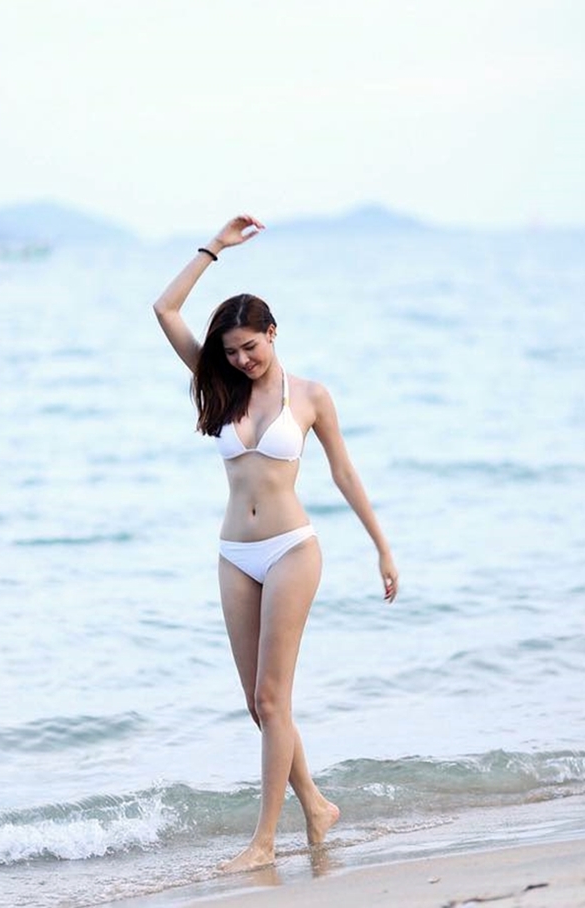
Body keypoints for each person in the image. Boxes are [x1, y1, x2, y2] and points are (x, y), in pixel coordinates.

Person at [153, 214, 399, 873]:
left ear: (272, 332)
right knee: (257, 705)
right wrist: (214, 247)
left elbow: (345, 473)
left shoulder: (311, 396)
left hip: (292, 548)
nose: (241, 359)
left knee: (272, 698)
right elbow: (165, 309)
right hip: (235, 554)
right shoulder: (221, 387)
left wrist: (381, 547)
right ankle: (316, 805)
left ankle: (264, 842)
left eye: (249, 346)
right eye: (231, 351)